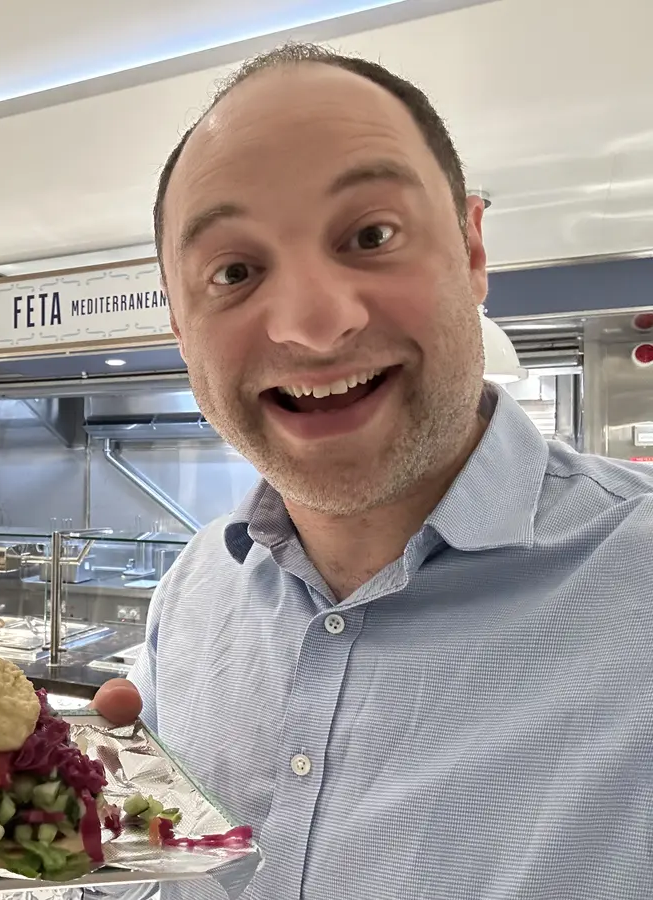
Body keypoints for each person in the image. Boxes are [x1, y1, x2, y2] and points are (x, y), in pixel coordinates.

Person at [89, 44, 653, 899]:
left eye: (371, 235)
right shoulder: (195, 590)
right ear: (179, 323)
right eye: (234, 272)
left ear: (470, 251)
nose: (314, 326)